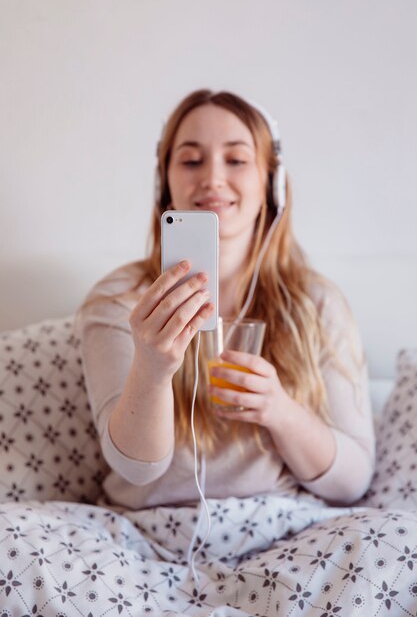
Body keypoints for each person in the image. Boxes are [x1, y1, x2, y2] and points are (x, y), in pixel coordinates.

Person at [77, 89, 375, 512]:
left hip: (281, 536)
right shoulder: (118, 301)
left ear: (272, 182)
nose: (213, 178)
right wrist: (152, 368)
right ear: (165, 182)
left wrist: (280, 411)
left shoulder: (317, 302)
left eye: (236, 159)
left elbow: (353, 483)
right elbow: (136, 470)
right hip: (146, 537)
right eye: (191, 160)